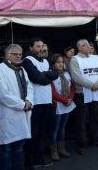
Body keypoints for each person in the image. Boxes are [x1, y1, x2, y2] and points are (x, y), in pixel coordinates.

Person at [0, 44, 34, 170]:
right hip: (8, 114)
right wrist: (22, 104)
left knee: (19, 148)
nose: (18, 56)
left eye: (20, 54)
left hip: (23, 113)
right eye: (15, 54)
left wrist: (29, 100)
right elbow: (2, 95)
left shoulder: (22, 69)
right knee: (6, 149)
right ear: (7, 55)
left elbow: (29, 87)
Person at [22, 38, 59, 168]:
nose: (41, 48)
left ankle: (39, 158)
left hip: (47, 101)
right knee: (33, 133)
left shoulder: (45, 60)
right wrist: (47, 76)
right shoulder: (27, 60)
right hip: (35, 102)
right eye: (38, 46)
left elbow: (55, 74)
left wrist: (45, 75)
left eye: (42, 46)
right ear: (31, 48)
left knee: (42, 132)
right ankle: (30, 161)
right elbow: (36, 78)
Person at [69, 39, 98, 155]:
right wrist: (92, 85)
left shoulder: (96, 58)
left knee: (95, 117)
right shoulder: (75, 60)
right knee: (81, 119)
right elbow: (76, 77)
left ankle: (95, 139)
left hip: (95, 92)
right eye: (85, 45)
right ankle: (81, 144)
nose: (88, 47)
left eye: (88, 45)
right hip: (82, 93)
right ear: (79, 47)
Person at [48, 53, 75, 161]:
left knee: (62, 127)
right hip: (57, 105)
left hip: (67, 104)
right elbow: (52, 92)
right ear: (53, 64)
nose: (61, 64)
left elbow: (72, 87)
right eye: (58, 62)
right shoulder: (51, 75)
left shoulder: (67, 74)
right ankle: (53, 151)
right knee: (54, 129)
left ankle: (61, 148)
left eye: (62, 62)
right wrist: (64, 100)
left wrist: (70, 99)